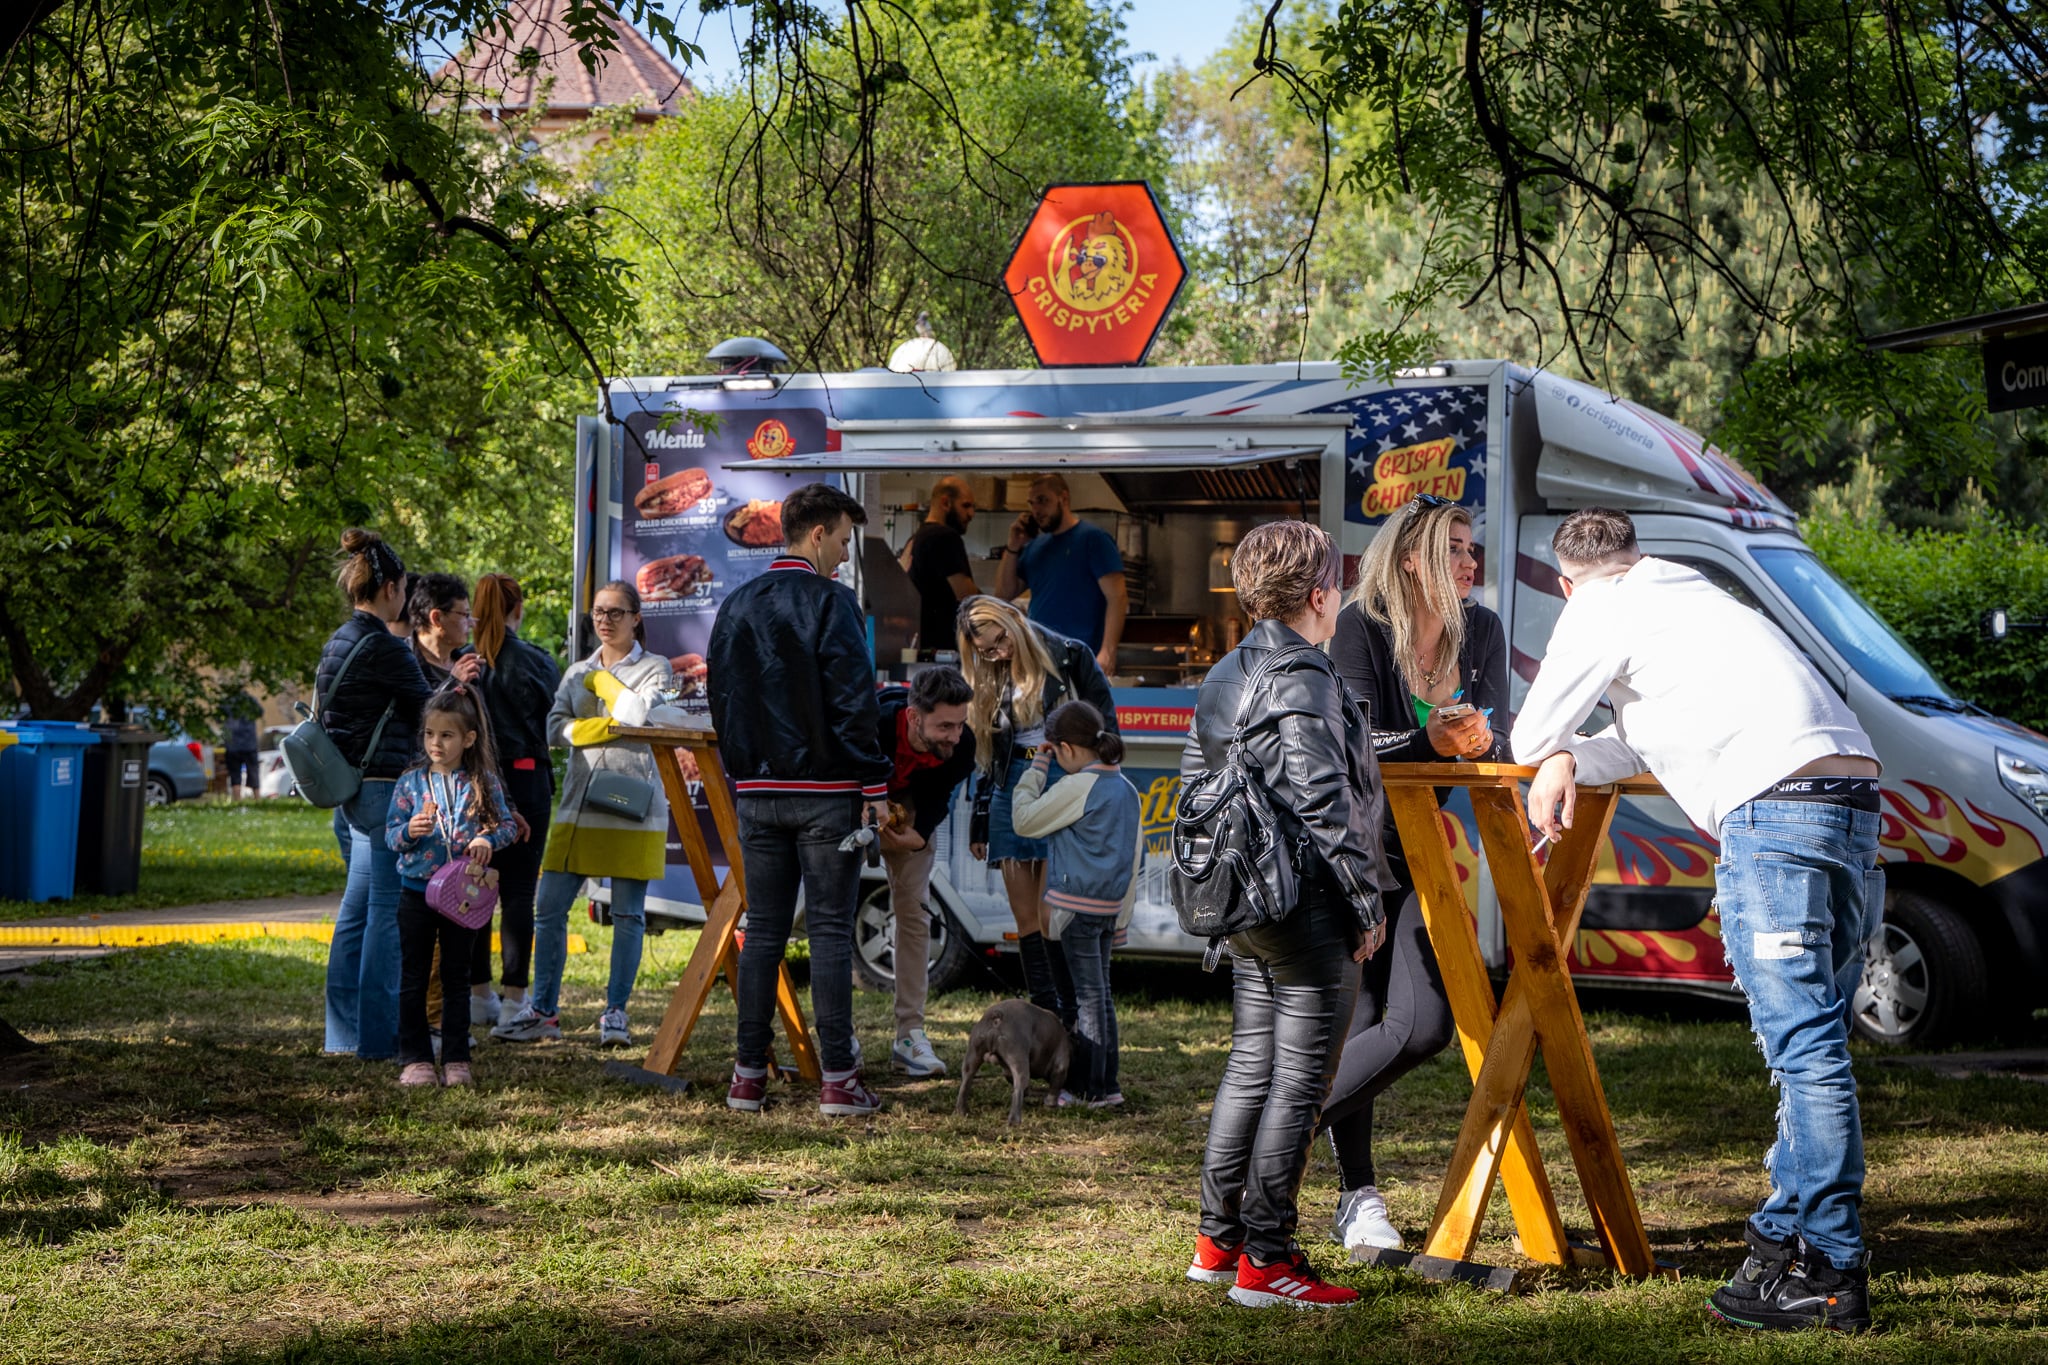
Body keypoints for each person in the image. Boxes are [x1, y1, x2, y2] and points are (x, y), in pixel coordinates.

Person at [1510, 507, 1883, 1334]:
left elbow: (1531, 732)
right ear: (1637, 553)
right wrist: (1579, 753)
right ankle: (1782, 1239)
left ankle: (1829, 1271)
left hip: (1775, 811)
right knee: (1817, 1043)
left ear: (1569, 584)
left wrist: (1558, 751)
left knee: (1806, 1052)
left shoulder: (1600, 607)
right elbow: (1641, 745)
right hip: (1854, 801)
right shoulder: (1692, 594)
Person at [1181, 519, 1390, 1311]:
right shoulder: (1302, 670)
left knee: (1250, 1068)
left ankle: (1218, 1241)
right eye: (1338, 581)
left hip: (1244, 899)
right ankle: (1266, 1260)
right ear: (1317, 593)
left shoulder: (1227, 669)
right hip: (1303, 901)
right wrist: (1365, 898)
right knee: (1299, 1082)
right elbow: (1321, 797)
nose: (1341, 596)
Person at [1321, 494, 1500, 1251]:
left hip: (1424, 847)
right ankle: (1357, 1196)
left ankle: (1268, 1134)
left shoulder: (1481, 629)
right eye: (1453, 547)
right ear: (1409, 558)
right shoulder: (1361, 625)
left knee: (1423, 1024)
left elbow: (1490, 742)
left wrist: (1482, 738)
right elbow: (1355, 738)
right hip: (1350, 852)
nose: (1469, 561)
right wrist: (1433, 733)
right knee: (1359, 1022)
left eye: (1470, 548)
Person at [708, 483, 893, 1118]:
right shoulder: (834, 602)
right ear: (817, 535)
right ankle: (839, 1080)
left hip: (757, 792)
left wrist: (742, 773)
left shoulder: (736, 605)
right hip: (826, 792)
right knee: (831, 932)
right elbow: (854, 700)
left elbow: (722, 701)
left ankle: (746, 1078)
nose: (844, 554)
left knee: (762, 933)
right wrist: (874, 784)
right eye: (843, 540)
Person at [492, 581, 674, 1049]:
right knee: (549, 906)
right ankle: (545, 1011)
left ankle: (615, 1013)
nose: (605, 620)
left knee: (629, 915)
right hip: (578, 803)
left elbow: (635, 714)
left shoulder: (656, 667)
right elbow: (554, 730)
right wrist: (603, 727)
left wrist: (599, 684)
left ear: (637, 617)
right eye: (598, 612)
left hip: (635, 805)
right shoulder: (575, 669)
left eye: (616, 612)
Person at [956, 593, 1119, 1031]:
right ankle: (1048, 1019)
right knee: (1025, 917)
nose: (996, 653)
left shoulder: (1069, 656)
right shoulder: (989, 674)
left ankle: (1071, 1017)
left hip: (1064, 780)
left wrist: (1100, 786)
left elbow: (1108, 726)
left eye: (999, 641)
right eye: (986, 651)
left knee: (1053, 914)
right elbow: (988, 753)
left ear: (1012, 619)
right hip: (1012, 785)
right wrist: (980, 818)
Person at [320, 530, 436, 1061]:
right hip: (386, 790)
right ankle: (380, 1039)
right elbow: (430, 713)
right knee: (386, 915)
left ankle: (342, 1036)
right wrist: (453, 682)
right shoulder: (385, 648)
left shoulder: (339, 640)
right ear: (389, 588)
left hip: (352, 790)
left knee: (356, 912)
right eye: (404, 589)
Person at [1009, 700, 1140, 1109]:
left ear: (1064, 748)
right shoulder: (1127, 789)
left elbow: (1024, 820)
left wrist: (1035, 770)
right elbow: (1134, 859)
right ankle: (1108, 1084)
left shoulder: (1077, 786)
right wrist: (1122, 915)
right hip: (1108, 907)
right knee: (1100, 996)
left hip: (1074, 907)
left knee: (1085, 1000)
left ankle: (1088, 1089)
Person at [386, 687, 518, 1087]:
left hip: (462, 898)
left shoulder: (482, 781)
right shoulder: (411, 783)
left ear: (468, 739)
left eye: (446, 735)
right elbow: (390, 836)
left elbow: (507, 826)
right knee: (415, 975)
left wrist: (487, 839)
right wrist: (409, 830)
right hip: (415, 892)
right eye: (429, 734)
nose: (435, 743)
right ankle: (416, 1059)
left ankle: (457, 1058)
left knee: (457, 975)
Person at [874, 666, 977, 1079]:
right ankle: (838, 1035)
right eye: (945, 725)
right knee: (834, 916)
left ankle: (909, 1035)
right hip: (859, 808)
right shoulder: (875, 723)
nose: (956, 734)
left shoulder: (962, 746)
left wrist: (917, 836)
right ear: (915, 717)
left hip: (911, 814)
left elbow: (940, 795)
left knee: (914, 917)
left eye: (961, 724)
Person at [471, 573, 562, 1028]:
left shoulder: (467, 663)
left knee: (476, 887)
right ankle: (514, 999)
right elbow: (558, 717)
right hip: (526, 781)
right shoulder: (534, 661)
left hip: (476, 786)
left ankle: (478, 994)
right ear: (517, 608)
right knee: (518, 892)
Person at [994, 473, 1127, 674]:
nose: (1036, 510)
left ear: (1063, 498)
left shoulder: (1093, 539)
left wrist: (1108, 651)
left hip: (1081, 658)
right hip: (1039, 659)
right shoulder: (1034, 547)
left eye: (1043, 500)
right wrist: (1013, 547)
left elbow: (1117, 597)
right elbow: (1004, 595)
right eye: (1032, 503)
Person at [903, 476, 980, 654]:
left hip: (921, 646)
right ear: (945, 502)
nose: (971, 514)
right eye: (966, 506)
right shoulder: (944, 537)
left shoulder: (916, 539)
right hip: (943, 650)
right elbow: (967, 596)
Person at [407, 573, 484, 690]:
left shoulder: (464, 664)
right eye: (465, 615)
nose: (472, 624)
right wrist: (454, 684)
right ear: (437, 618)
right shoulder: (402, 662)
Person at [222, 692, 261, 798]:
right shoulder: (250, 700)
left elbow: (218, 719)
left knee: (235, 775)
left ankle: (237, 799)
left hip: (232, 744)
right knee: (253, 772)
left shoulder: (226, 702)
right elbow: (260, 713)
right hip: (250, 744)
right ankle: (257, 798)